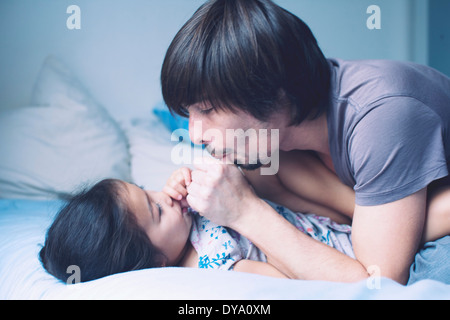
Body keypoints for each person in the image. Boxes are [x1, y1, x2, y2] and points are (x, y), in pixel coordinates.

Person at [160, 0, 450, 284]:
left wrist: (244, 211)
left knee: (430, 277)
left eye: (208, 109)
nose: (195, 134)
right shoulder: (275, 145)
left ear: (274, 91)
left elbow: (374, 285)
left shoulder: (383, 118)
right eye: (189, 113)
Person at [40, 165, 448, 283]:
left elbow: (225, 181)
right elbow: (283, 281)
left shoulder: (186, 222)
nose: (163, 197)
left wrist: (178, 189)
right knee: (430, 219)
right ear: (156, 262)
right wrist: (248, 217)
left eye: (149, 190)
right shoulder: (215, 266)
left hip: (326, 219)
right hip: (338, 252)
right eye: (156, 210)